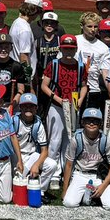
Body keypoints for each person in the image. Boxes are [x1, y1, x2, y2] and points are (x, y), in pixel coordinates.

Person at [61, 108, 110, 211]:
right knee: (69, 203)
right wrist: (64, 190)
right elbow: (69, 164)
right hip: (80, 174)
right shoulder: (76, 139)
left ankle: (92, 193)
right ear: (82, 122)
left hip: (99, 176)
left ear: (101, 124)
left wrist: (103, 186)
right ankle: (87, 192)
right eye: (88, 120)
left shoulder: (106, 141)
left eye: (95, 121)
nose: (92, 123)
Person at [43, 34, 87, 164]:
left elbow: (84, 86)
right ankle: (53, 169)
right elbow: (44, 86)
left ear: (76, 49)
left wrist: (79, 101)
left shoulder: (81, 66)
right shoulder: (54, 64)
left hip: (73, 106)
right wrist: (59, 100)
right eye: (66, 48)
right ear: (61, 49)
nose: (68, 51)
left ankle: (66, 167)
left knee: (70, 138)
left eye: (71, 49)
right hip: (57, 106)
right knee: (55, 138)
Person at [14, 93, 56, 190]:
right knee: (17, 183)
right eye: (25, 106)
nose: (28, 108)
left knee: (52, 165)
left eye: (31, 106)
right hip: (15, 156)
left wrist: (36, 165)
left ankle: (40, 190)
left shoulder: (38, 123)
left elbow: (44, 150)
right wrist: (19, 161)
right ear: (20, 107)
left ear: (36, 108)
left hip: (31, 155)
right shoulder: (14, 121)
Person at [9, 0, 42, 66]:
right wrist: (27, 75)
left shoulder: (16, 22)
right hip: (22, 73)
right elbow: (24, 57)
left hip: (15, 68)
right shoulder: (25, 30)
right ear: (35, 10)